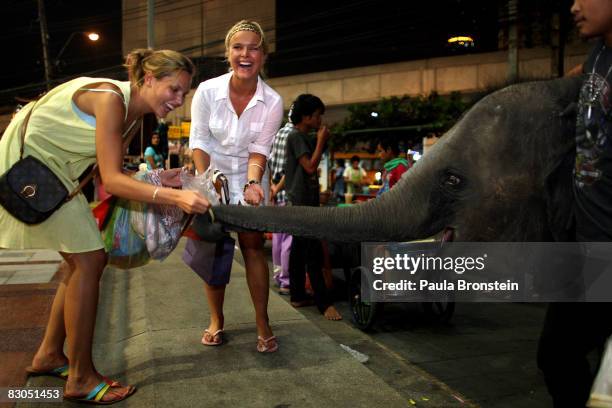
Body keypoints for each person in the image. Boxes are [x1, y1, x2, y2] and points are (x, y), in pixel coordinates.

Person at [0, 49, 209, 404]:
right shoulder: (112, 100)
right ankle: (80, 378)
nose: (178, 100)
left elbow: (105, 169)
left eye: (184, 94)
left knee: (84, 260)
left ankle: (49, 354)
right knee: (89, 260)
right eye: (173, 89)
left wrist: (160, 177)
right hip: (31, 170)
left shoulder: (131, 116)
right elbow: (111, 182)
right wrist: (176, 199)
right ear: (148, 79)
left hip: (56, 172)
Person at [189, 20, 283, 353]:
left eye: (253, 47)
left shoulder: (272, 101)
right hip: (211, 176)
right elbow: (198, 140)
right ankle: (216, 320)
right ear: (228, 52)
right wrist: (207, 179)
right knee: (214, 248)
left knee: (254, 247)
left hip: (249, 180)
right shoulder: (207, 91)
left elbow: (261, 149)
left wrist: (254, 182)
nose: (245, 54)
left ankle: (263, 322)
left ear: (263, 55)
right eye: (238, 47)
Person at [537, 1, 612, 407]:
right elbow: (580, 80)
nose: (573, 6)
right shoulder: (600, 51)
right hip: (586, 248)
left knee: (561, 354)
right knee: (559, 355)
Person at [284, 94, 342, 321]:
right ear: (306, 116)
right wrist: (320, 141)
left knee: (299, 251)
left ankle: (297, 295)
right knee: (312, 252)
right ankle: (324, 304)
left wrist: (321, 140)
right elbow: (309, 167)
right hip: (301, 203)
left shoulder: (303, 137)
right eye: (317, 116)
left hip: (305, 200)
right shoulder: (296, 137)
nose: (319, 120)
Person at [269, 116, 293, 295]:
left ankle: (278, 276)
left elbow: (269, 163)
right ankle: (286, 280)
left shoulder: (277, 134)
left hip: (275, 193)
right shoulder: (294, 135)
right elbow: (290, 168)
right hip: (285, 193)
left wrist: (271, 187)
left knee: (277, 238)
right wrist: (277, 188)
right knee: (288, 240)